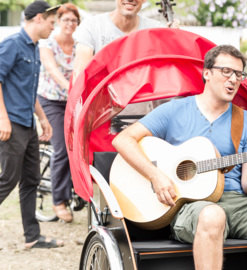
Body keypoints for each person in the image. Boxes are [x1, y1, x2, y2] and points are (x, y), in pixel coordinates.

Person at [112, 45, 247, 269]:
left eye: (239, 74)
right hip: (190, 206)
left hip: (239, 203)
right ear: (207, 73)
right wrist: (155, 175)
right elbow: (123, 139)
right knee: (213, 214)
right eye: (226, 71)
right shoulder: (175, 110)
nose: (233, 79)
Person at [0, 0, 63, 249]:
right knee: (7, 179)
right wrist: (2, 118)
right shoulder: (12, 45)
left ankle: (32, 237)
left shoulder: (35, 48)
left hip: (27, 123)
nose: (53, 27)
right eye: (51, 22)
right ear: (38, 18)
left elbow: (29, 90)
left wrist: (43, 118)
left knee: (31, 179)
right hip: (11, 123)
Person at [37, 3, 80, 223]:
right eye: (65, 20)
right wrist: (70, 88)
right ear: (58, 22)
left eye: (74, 20)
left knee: (82, 143)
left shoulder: (80, 44)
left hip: (73, 101)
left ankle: (80, 189)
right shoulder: (48, 43)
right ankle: (59, 199)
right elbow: (52, 69)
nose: (70, 24)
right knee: (62, 147)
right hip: (50, 100)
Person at [72, 0, 179, 84]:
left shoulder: (156, 29)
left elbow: (169, 69)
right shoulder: (91, 25)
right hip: (102, 104)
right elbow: (80, 73)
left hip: (143, 104)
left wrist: (176, 40)